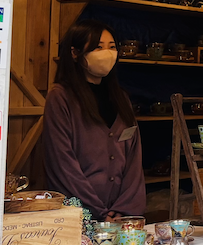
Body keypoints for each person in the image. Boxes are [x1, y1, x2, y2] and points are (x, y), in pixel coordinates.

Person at [43, 20, 145, 220]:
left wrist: (124, 208)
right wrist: (96, 211)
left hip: (121, 216)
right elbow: (62, 163)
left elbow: (134, 156)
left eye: (112, 47)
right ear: (75, 53)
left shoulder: (120, 97)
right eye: (98, 47)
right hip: (79, 215)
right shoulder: (61, 97)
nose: (107, 54)